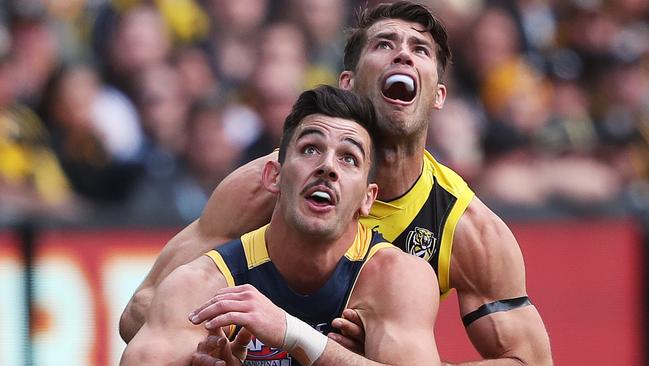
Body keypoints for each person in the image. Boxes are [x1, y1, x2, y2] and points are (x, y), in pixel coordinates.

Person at [120, 2, 553, 364]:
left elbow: (531, 361)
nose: (402, 55)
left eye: (419, 49)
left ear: (438, 94)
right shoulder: (267, 183)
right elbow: (140, 313)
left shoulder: (466, 227)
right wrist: (216, 349)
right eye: (384, 44)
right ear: (348, 82)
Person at [119, 85, 442, 365]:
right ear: (274, 175)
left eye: (348, 158)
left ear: (368, 199)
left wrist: (294, 335)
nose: (328, 166)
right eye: (311, 149)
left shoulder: (396, 278)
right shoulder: (203, 285)